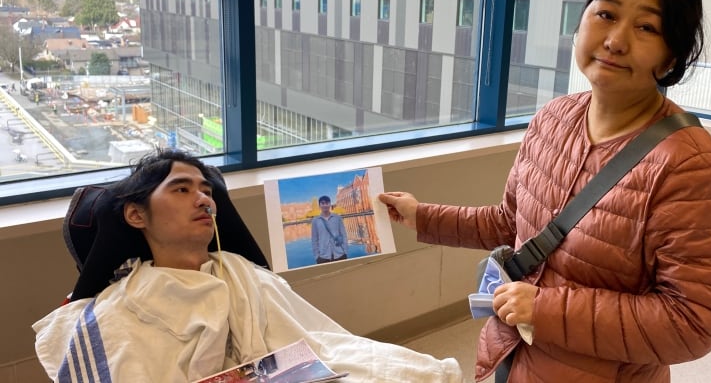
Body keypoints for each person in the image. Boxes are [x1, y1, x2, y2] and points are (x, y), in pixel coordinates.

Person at [379, 0, 711, 383]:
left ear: (671, 57)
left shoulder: (688, 164)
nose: (616, 40)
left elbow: (694, 321)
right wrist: (422, 215)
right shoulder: (553, 118)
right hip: (513, 359)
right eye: (606, 14)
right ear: (580, 22)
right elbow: (510, 224)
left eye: (646, 27)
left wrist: (544, 308)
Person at [33, 149, 465, 383]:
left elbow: (319, 344)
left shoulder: (243, 274)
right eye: (180, 189)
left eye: (206, 190)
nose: (203, 198)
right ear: (135, 215)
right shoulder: (117, 312)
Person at [311, 195, 349, 263]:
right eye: (323, 203)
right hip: (323, 257)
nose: (325, 205)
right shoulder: (315, 220)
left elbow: (344, 235)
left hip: (340, 254)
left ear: (330, 204)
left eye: (327, 203)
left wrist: (345, 251)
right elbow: (314, 240)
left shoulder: (337, 218)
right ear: (319, 205)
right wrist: (317, 256)